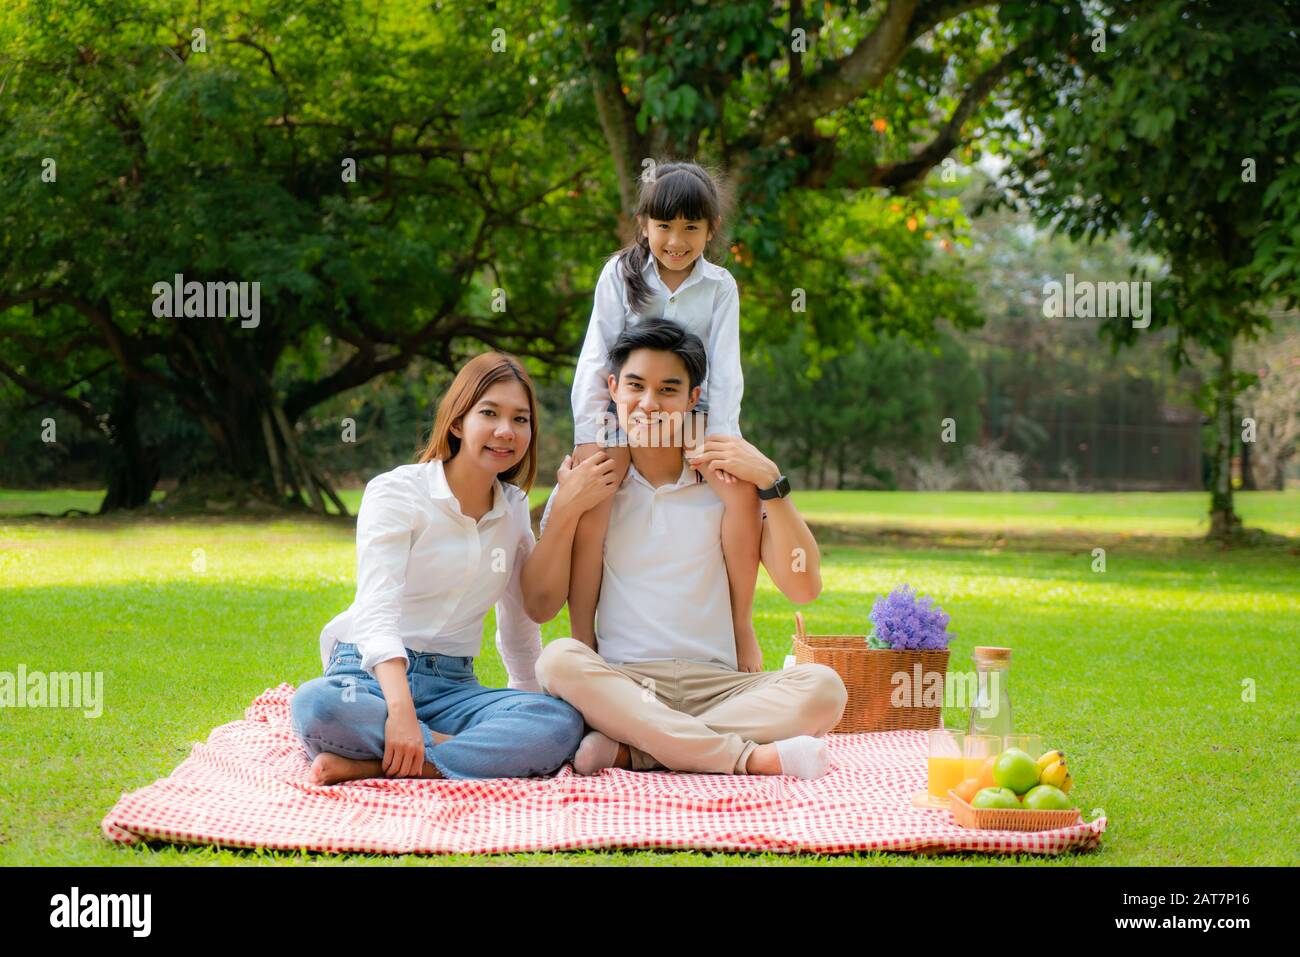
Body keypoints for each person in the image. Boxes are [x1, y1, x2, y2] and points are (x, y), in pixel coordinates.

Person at [523, 320, 848, 779]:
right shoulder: (594, 485)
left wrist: (773, 482)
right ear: (613, 388)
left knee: (825, 688)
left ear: (693, 399)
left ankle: (638, 751)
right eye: (636, 386)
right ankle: (744, 758)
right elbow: (538, 605)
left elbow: (804, 586)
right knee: (556, 659)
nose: (649, 404)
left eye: (668, 389)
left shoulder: (726, 485)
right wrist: (564, 513)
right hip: (624, 682)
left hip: (720, 686)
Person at [290, 352, 584, 783]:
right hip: (369, 677)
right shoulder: (396, 492)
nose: (506, 431)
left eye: (521, 420)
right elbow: (377, 609)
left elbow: (518, 618)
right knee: (317, 705)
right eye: (490, 413)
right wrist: (399, 712)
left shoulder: (514, 509)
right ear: (457, 421)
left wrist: (525, 701)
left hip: (453, 687)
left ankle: (381, 764)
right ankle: (452, 752)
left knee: (559, 722)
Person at [569, 161, 765, 672]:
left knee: (740, 494)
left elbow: (725, 371)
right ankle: (581, 638)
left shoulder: (720, 286)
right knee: (597, 491)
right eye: (664, 227)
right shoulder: (620, 274)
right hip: (625, 417)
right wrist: (590, 434)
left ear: (710, 230)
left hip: (692, 418)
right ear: (644, 224)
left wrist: (719, 441)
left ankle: (740, 626)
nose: (676, 241)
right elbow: (596, 355)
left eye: (691, 228)